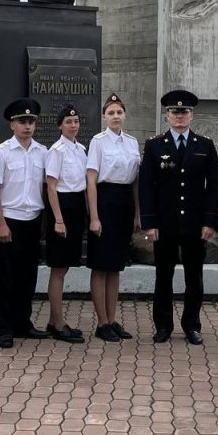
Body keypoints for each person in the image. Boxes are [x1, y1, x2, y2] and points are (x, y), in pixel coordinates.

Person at [139, 89, 218, 345]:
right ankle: (163, 325)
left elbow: (214, 187)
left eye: (184, 112)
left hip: (195, 225)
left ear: (192, 115)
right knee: (163, 276)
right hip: (164, 224)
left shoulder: (205, 145)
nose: (179, 116)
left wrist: (210, 222)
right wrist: (150, 223)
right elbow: (146, 187)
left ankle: (192, 325)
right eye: (174, 112)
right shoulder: (154, 145)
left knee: (194, 278)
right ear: (166, 115)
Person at [0, 98, 50, 349]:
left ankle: (23, 324)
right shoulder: (1, 152)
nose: (27, 126)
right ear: (12, 124)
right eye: (22, 121)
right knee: (6, 278)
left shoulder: (43, 152)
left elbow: (48, 187)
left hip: (33, 221)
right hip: (9, 220)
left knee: (28, 277)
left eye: (31, 121)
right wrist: (0, 224)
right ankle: (5, 329)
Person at [86, 93, 140, 341]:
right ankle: (101, 322)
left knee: (116, 265)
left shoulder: (132, 142)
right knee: (100, 265)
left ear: (124, 115)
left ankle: (112, 318)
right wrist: (94, 216)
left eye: (119, 112)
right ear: (104, 117)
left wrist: (137, 212)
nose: (116, 116)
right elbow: (91, 181)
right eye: (111, 113)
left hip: (124, 202)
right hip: (105, 201)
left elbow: (136, 181)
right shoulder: (98, 142)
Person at [44, 104, 88, 343]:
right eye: (69, 122)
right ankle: (58, 324)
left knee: (65, 266)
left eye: (76, 121)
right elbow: (51, 186)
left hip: (76, 207)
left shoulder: (81, 149)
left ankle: (54, 319)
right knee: (58, 268)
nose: (73, 125)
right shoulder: (56, 150)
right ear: (60, 125)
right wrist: (58, 219)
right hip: (61, 209)